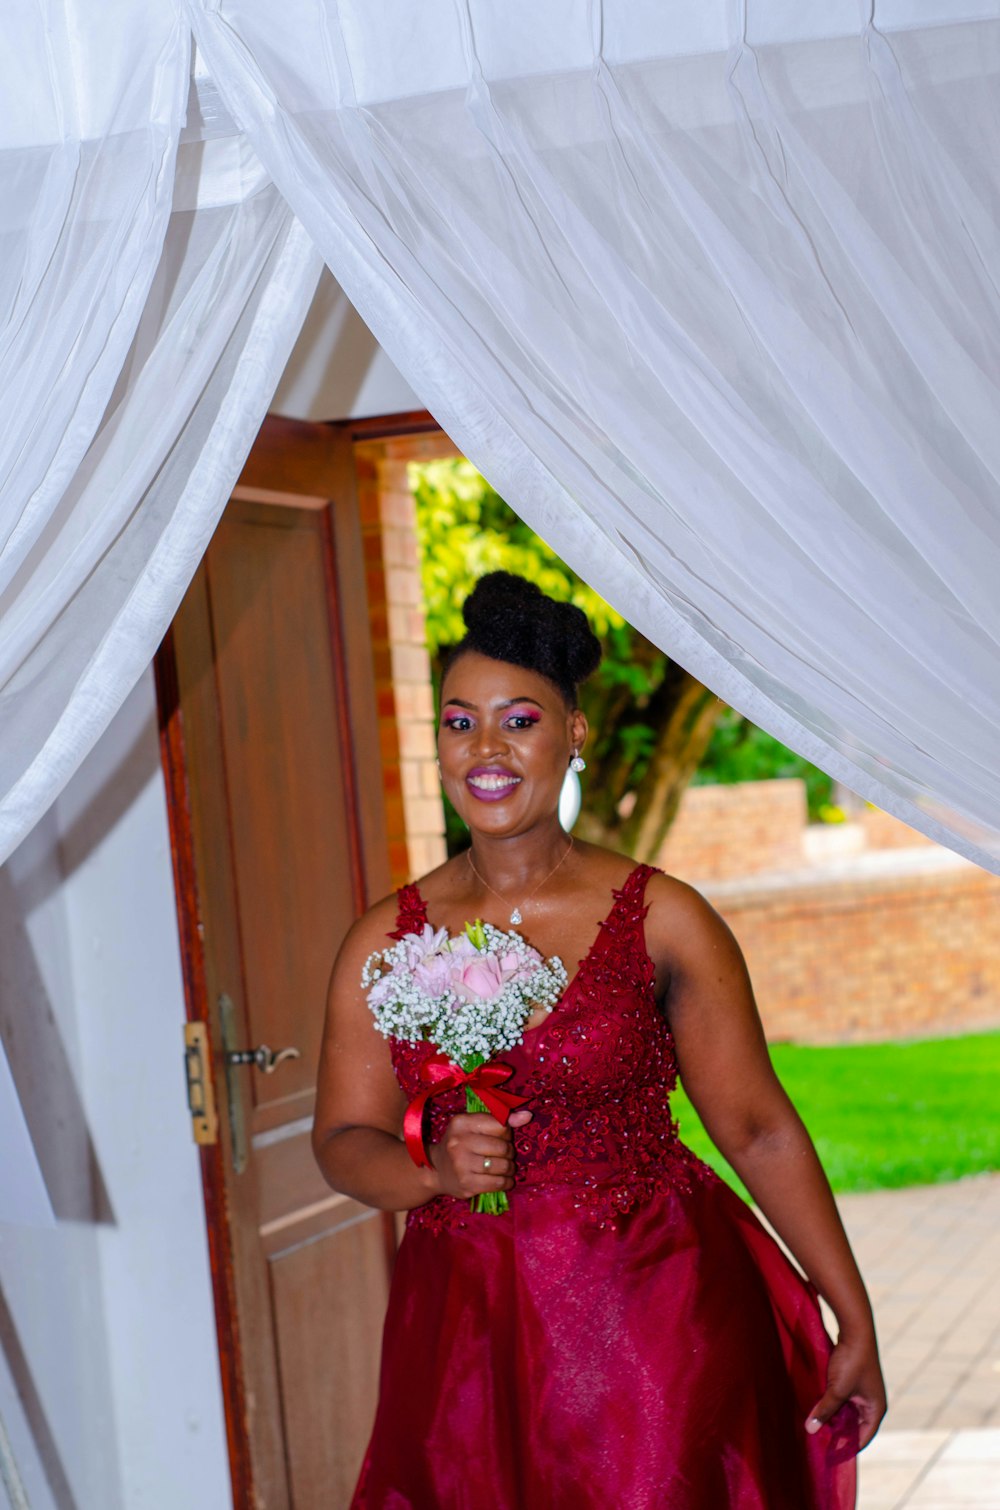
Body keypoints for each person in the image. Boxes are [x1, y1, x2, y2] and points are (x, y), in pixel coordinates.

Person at [314, 570, 885, 1509]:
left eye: (520, 720)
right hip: (468, 1342)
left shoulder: (665, 919)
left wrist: (849, 1308)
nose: (486, 749)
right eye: (460, 723)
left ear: (574, 733)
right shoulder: (384, 942)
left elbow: (757, 1128)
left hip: (658, 1322)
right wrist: (435, 1172)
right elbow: (342, 1142)